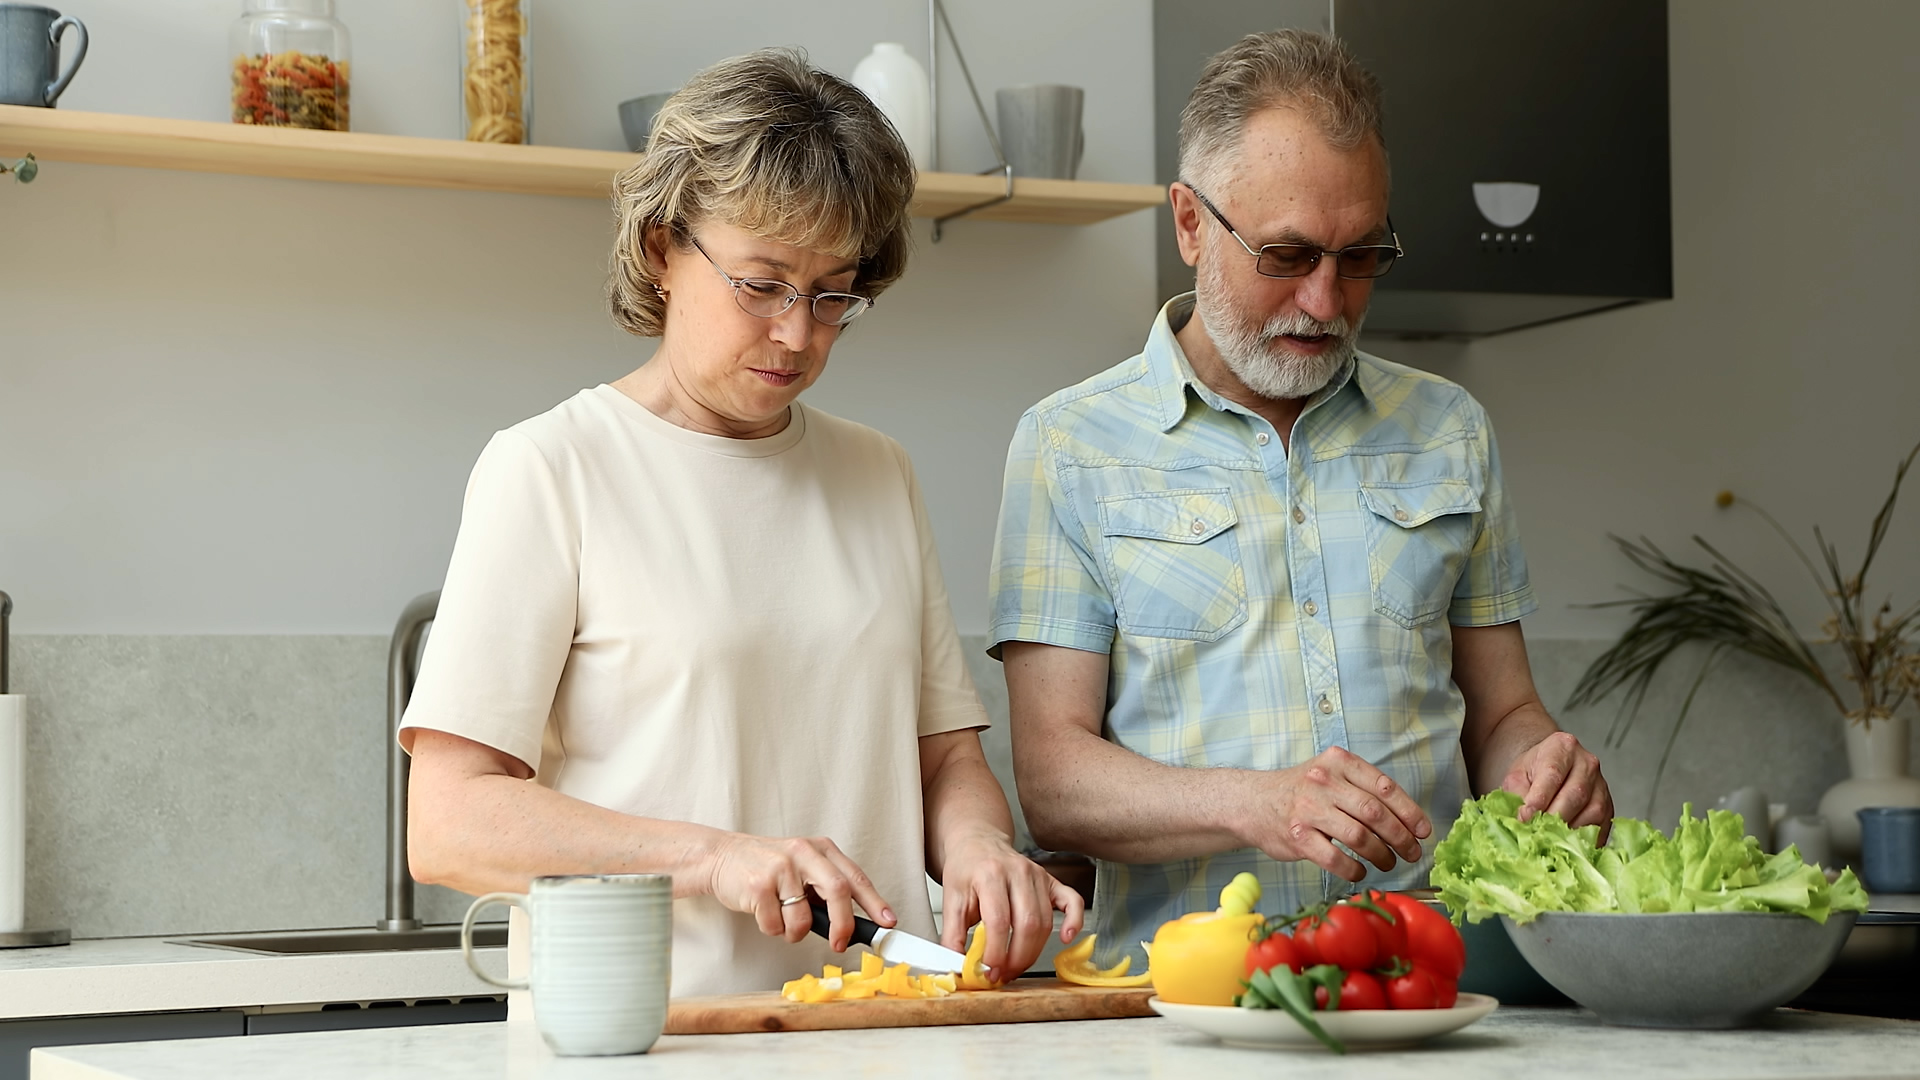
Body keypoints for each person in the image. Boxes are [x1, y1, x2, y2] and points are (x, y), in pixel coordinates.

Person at [400, 48, 1082, 998]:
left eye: (833, 293)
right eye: (762, 285)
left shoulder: (878, 473)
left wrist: (977, 847)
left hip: (882, 1032)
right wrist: (716, 859)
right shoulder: (551, 468)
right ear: (661, 249)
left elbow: (947, 759)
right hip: (652, 1042)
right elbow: (449, 825)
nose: (799, 334)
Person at [987, 29, 1612, 963]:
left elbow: (1501, 713)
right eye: (1287, 255)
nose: (1326, 301)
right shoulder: (1068, 446)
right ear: (1191, 222)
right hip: (1184, 1007)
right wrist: (1257, 803)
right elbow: (1054, 780)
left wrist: (1543, 767)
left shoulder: (1450, 429)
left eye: (1361, 257)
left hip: (1428, 984)